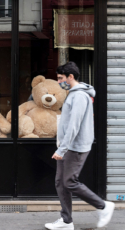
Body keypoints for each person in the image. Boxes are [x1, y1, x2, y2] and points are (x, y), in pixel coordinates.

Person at [45, 61, 115, 230]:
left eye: (61, 78)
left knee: (69, 182)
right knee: (60, 183)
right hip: (67, 145)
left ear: (71, 77)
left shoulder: (79, 96)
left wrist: (62, 149)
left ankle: (104, 206)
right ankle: (66, 221)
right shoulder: (73, 94)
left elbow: (74, 125)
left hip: (75, 147)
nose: (59, 81)